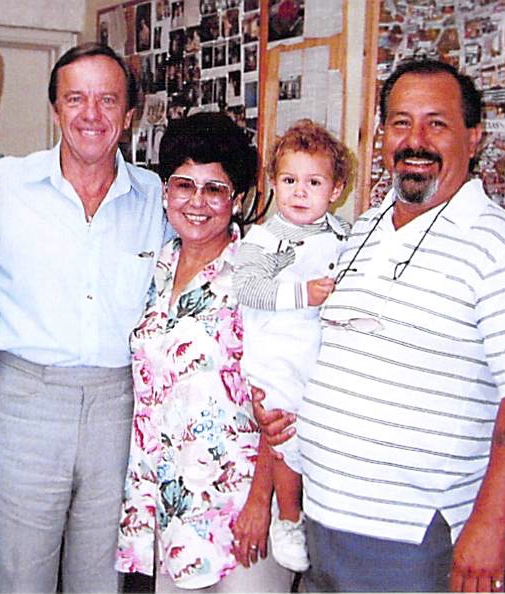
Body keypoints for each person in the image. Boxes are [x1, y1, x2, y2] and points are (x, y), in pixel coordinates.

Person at [257, 59, 505, 592]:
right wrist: (280, 400)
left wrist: (491, 526)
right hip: (323, 519)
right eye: (400, 122)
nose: (414, 140)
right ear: (382, 136)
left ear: (474, 136)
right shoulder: (362, 230)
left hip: (415, 538)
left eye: (435, 123)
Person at [0, 43, 167, 593]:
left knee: (101, 577)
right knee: (20, 574)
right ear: (55, 110)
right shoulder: (2, 186)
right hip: (24, 404)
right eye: (76, 99)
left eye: (108, 100)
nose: (92, 115)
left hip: (118, 405)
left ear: (129, 116)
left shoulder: (155, 196)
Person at [116, 112, 293, 593]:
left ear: (235, 199)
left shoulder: (258, 276)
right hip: (170, 509)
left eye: (213, 189)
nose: (196, 202)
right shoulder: (155, 268)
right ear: (166, 192)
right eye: (183, 185)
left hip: (242, 510)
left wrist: (261, 501)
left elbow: (283, 402)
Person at [233, 119, 351, 573]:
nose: (299, 192)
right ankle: (287, 515)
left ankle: (317, 512)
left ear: (336, 188)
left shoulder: (344, 237)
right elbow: (247, 288)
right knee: (285, 436)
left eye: (313, 182)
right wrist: (304, 294)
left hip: (319, 355)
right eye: (288, 181)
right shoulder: (265, 238)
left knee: (316, 432)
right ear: (273, 183)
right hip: (277, 356)